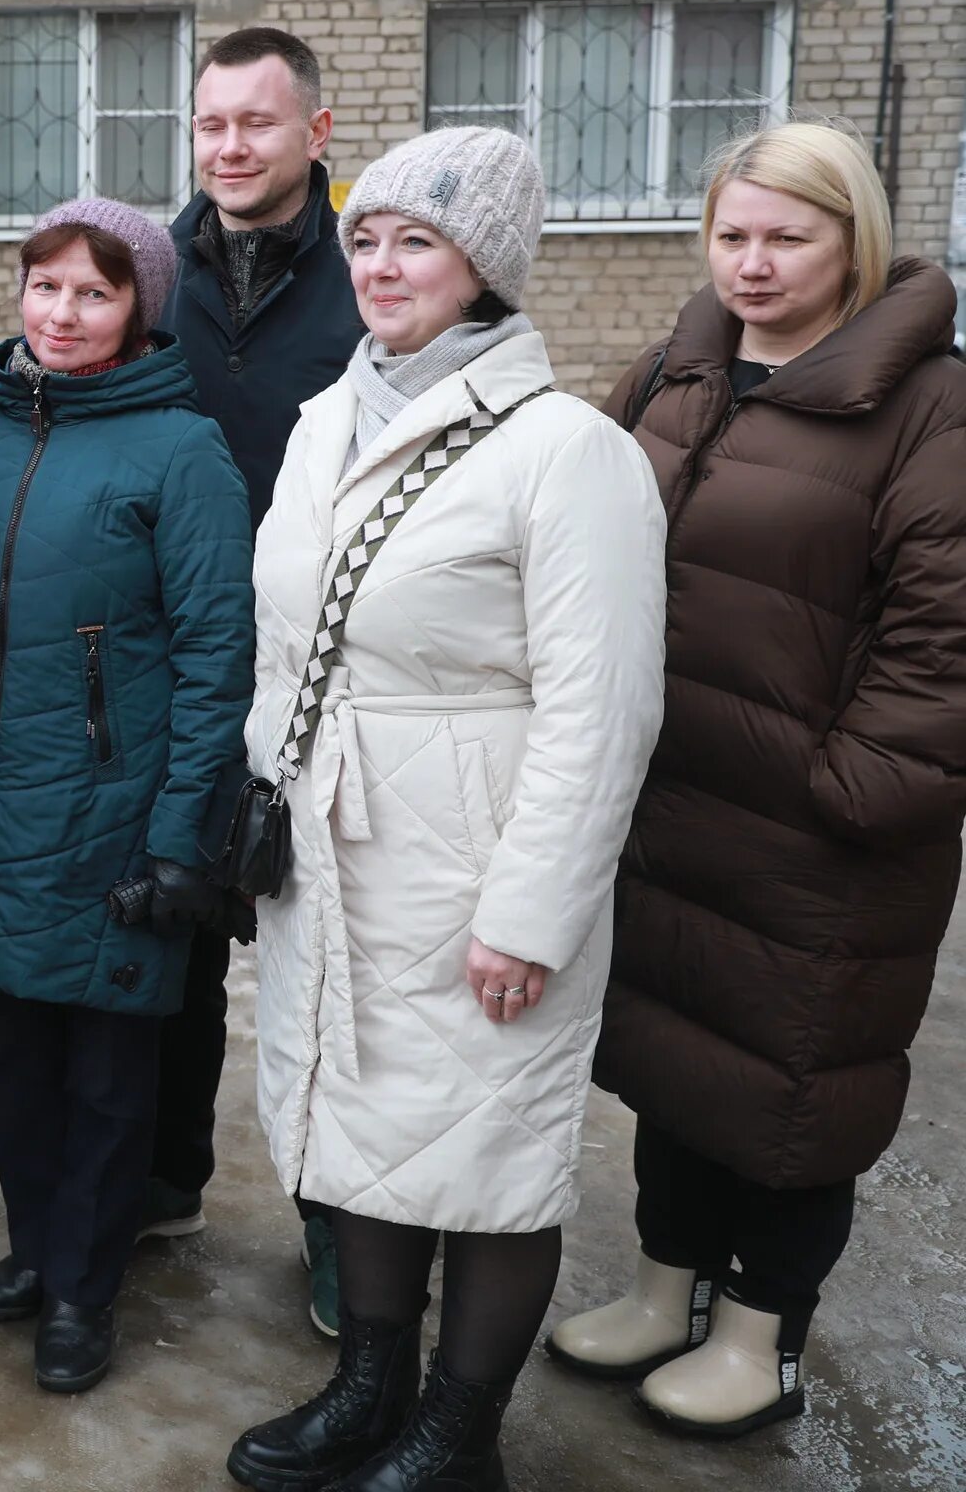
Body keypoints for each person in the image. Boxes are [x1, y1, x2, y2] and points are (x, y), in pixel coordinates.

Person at [227, 126, 667, 1492]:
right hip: (339, 843)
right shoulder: (323, 419)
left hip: (478, 860)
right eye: (366, 236)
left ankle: (459, 1433)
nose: (380, 264)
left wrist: (531, 910)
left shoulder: (569, 453)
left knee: (486, 1147)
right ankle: (370, 1385)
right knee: (363, 1127)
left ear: (487, 265)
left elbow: (606, 713)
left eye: (418, 239)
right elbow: (291, 648)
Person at [548, 123, 966, 1439]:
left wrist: (856, 792)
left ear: (857, 240)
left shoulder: (930, 407)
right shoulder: (679, 373)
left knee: (793, 1089)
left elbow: (942, 633)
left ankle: (759, 1333)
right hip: (674, 803)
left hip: (819, 830)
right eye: (733, 234)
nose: (755, 263)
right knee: (680, 1060)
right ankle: (666, 1287)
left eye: (789, 236)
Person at [0, 198, 253, 1395]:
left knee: (108, 1076)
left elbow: (221, 653)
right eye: (46, 285)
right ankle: (34, 1247)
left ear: (140, 310)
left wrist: (182, 836)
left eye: (95, 292)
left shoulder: (180, 447)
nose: (63, 313)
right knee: (13, 1052)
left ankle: (84, 1285)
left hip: (116, 812)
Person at [155, 25, 366, 1331]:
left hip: (328, 673)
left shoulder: (376, 277)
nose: (231, 147)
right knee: (172, 947)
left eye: (257, 123)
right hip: (179, 663)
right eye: (212, 125)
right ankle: (161, 1184)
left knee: (326, 960)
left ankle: (337, 1222)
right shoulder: (151, 269)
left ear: (316, 134)